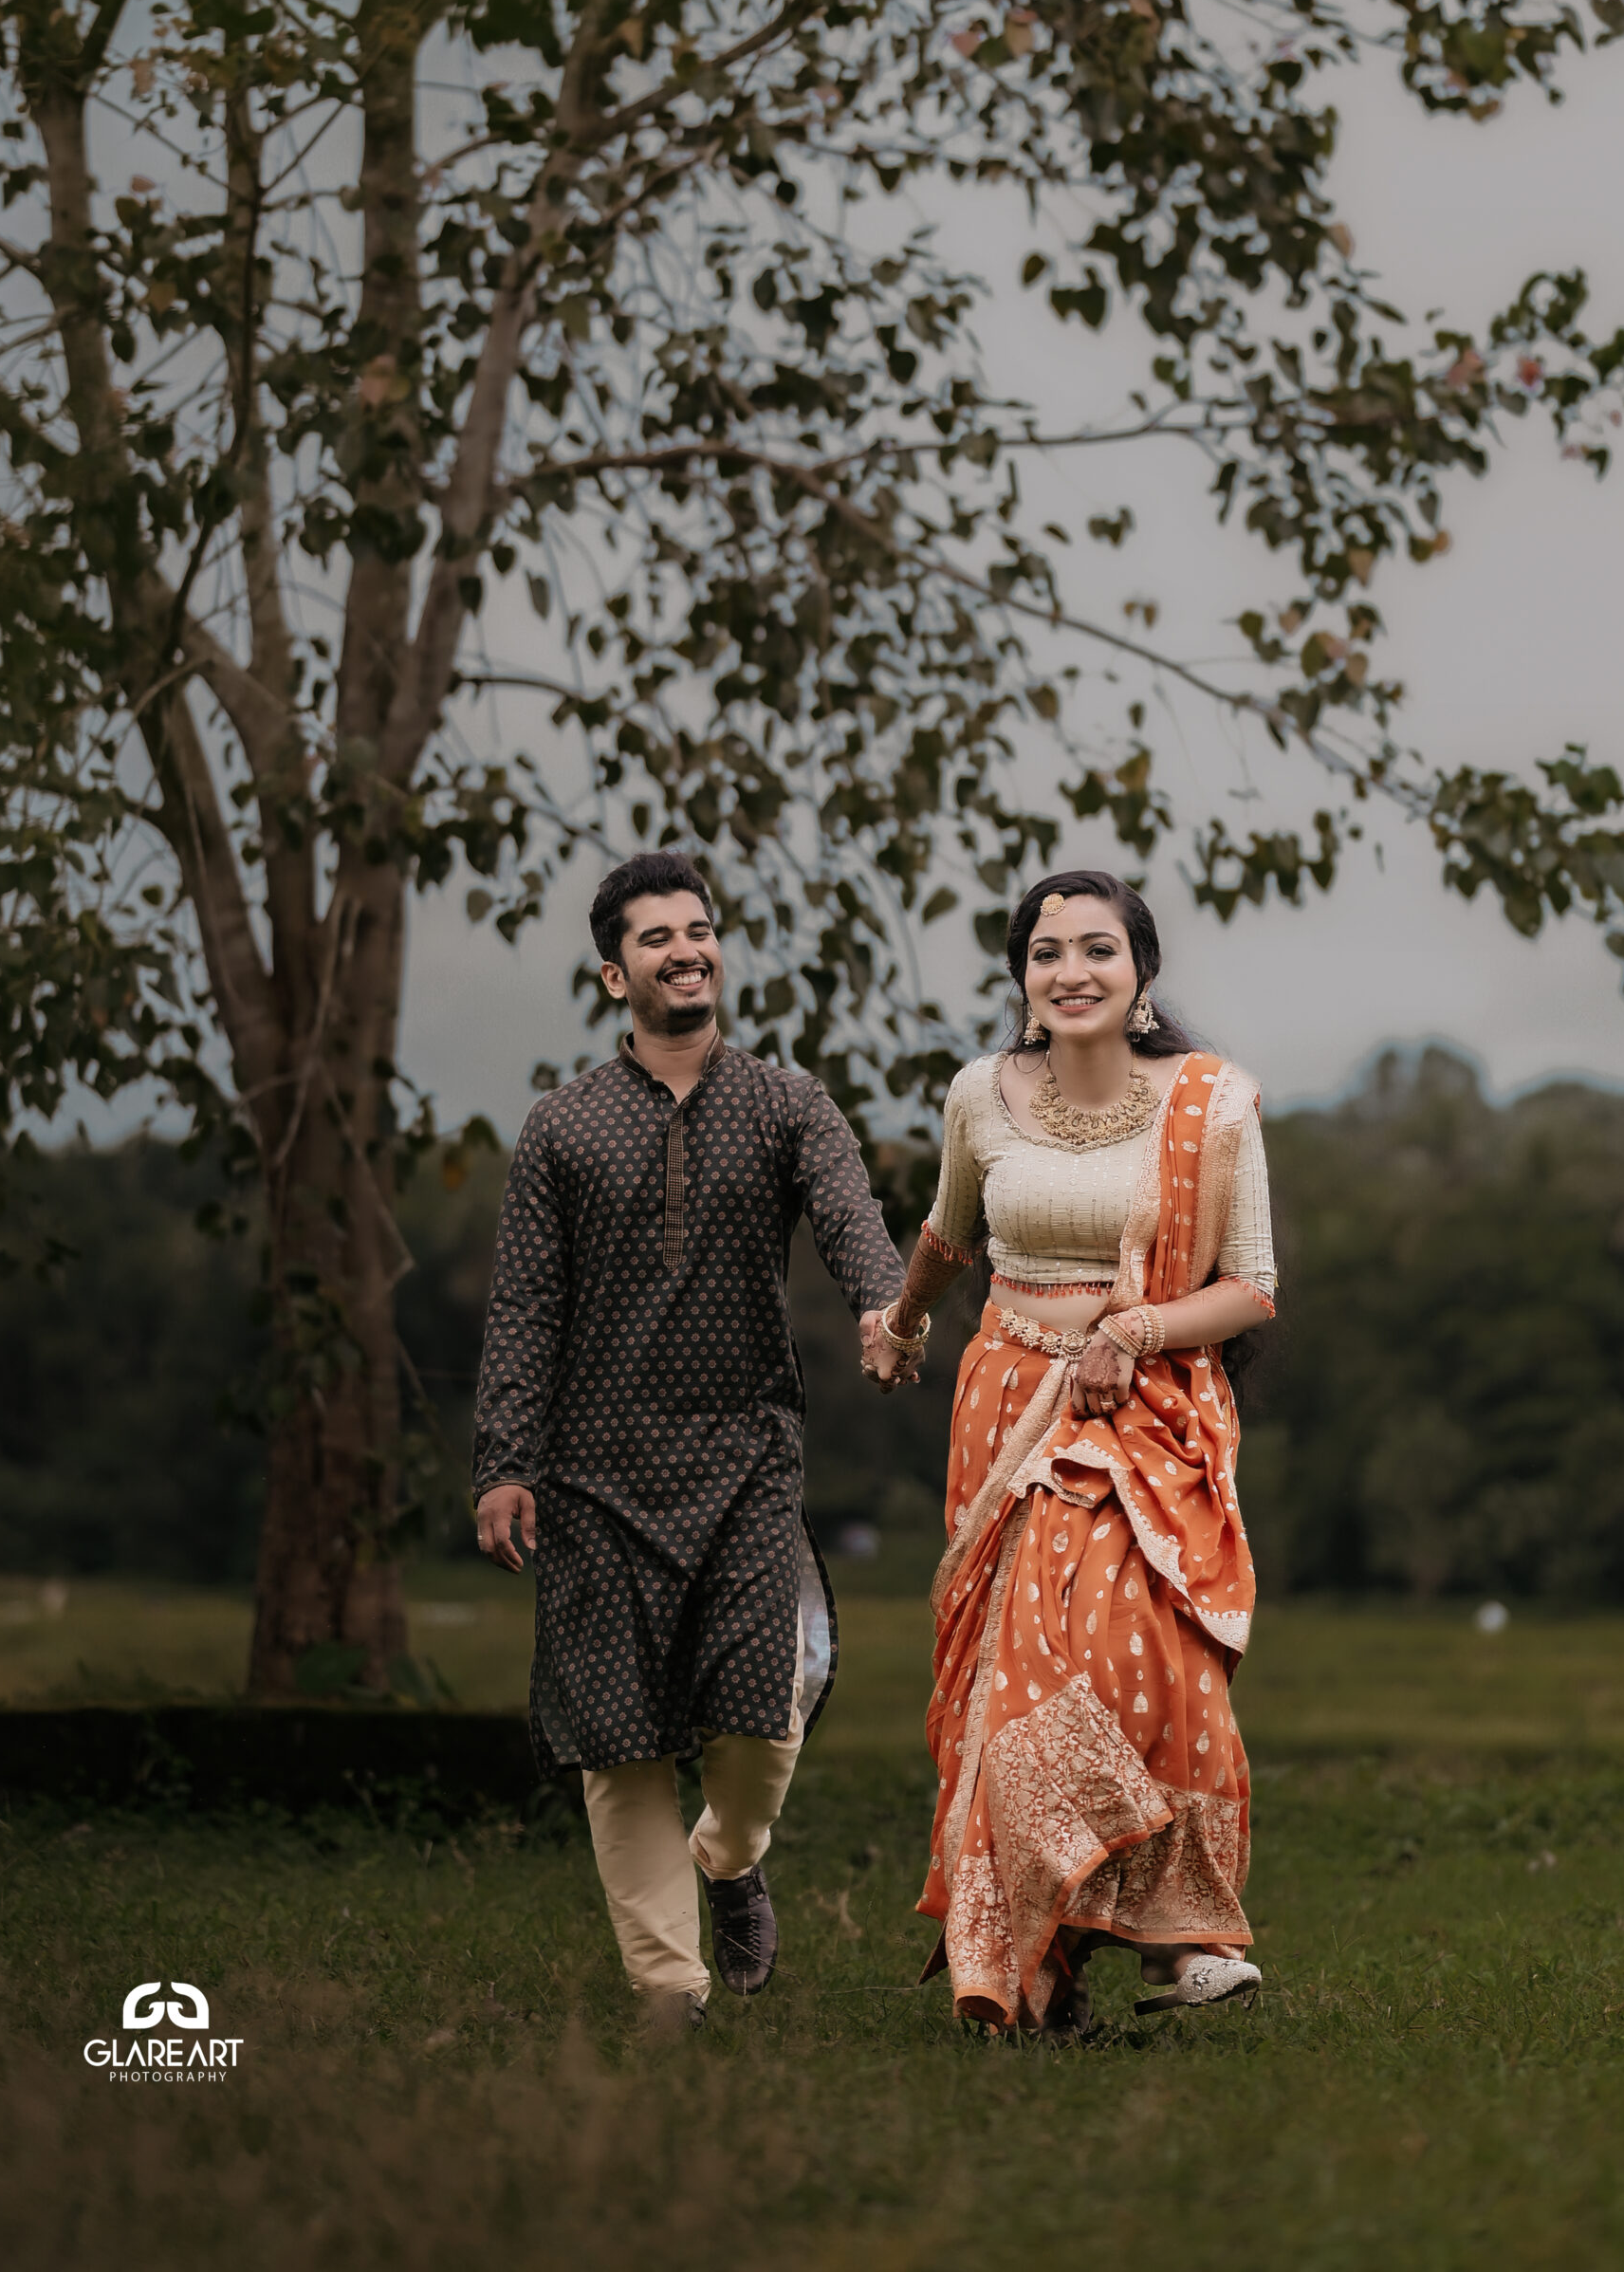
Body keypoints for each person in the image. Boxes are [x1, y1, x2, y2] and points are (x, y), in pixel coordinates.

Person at [472, 851, 909, 2033]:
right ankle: (668, 1988)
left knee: (763, 1710)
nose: (685, 949)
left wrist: (883, 1306)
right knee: (616, 1745)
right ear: (614, 973)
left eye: (699, 929)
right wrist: (505, 1461)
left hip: (743, 1460)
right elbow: (524, 1309)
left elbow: (853, 1222)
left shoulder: (787, 1104)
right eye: (657, 937)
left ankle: (730, 1858)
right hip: (593, 1474)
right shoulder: (559, 1130)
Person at [861, 870, 1277, 2033]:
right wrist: (899, 1324)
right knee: (1022, 1671)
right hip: (1010, 1406)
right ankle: (1037, 1961)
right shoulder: (980, 1096)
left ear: (1140, 976)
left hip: (1147, 1409)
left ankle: (1178, 1932)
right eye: (1047, 954)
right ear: (1023, 980)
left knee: (1140, 1646)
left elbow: (1251, 1286)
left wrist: (1133, 1328)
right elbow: (949, 1234)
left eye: (1097, 949)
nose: (1071, 971)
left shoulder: (1211, 1104)